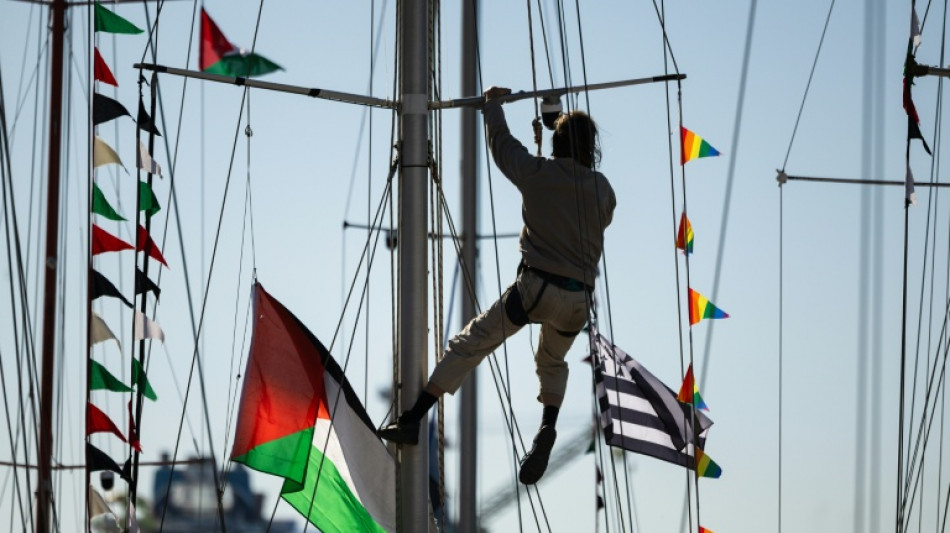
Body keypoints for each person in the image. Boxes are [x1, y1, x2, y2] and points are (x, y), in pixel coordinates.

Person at [379, 86, 616, 485]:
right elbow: (570, 175)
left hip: (535, 289)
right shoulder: (603, 191)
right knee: (552, 362)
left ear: (557, 144)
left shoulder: (535, 175)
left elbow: (503, 146)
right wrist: (554, 124)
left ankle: (413, 419)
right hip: (578, 301)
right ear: (591, 148)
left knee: (473, 343)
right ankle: (546, 426)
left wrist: (491, 106)